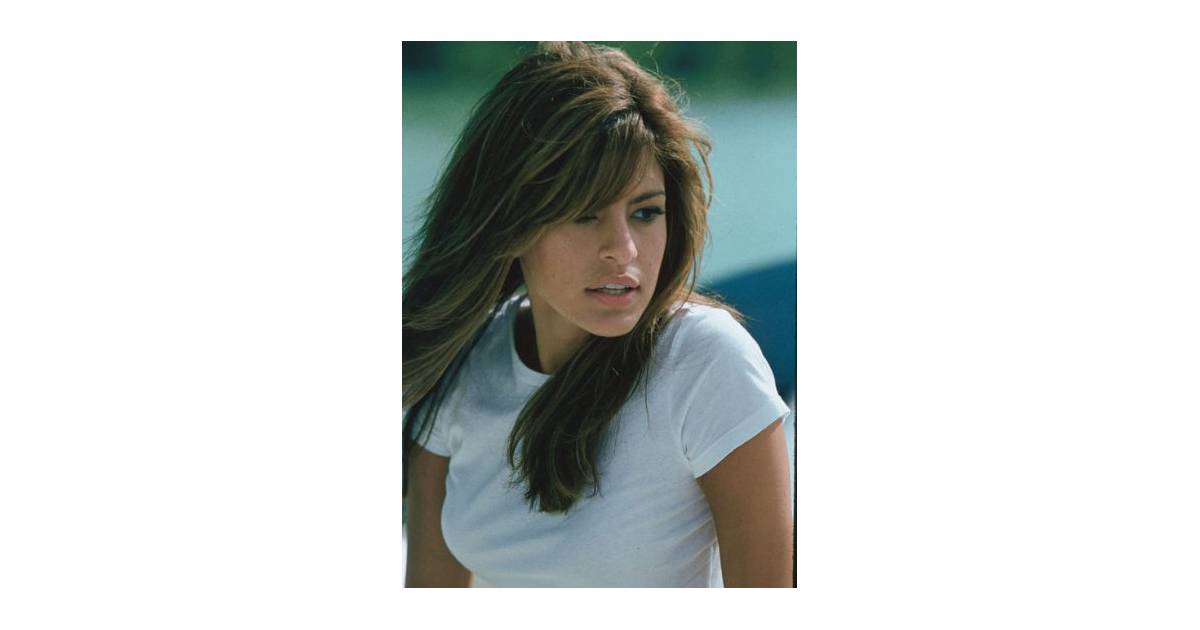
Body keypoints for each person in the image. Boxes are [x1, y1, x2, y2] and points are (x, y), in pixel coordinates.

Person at [403, 41, 792, 587]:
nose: (624, 250)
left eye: (645, 213)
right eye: (585, 214)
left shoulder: (705, 362)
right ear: (511, 221)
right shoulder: (462, 358)